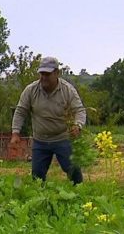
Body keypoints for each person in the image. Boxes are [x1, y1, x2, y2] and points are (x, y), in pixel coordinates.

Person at [10, 56, 87, 184]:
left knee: (74, 172)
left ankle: (79, 196)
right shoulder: (31, 90)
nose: (44, 77)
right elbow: (20, 111)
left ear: (57, 73)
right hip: (40, 140)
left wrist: (78, 125)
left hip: (62, 138)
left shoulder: (67, 90)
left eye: (47, 74)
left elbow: (79, 110)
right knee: (37, 177)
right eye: (42, 74)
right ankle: (41, 200)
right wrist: (15, 132)